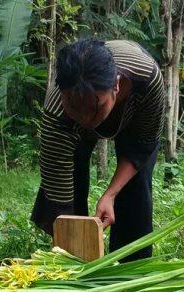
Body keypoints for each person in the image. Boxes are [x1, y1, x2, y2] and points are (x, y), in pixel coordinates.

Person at [31, 38, 165, 261]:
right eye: (74, 107)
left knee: (136, 188)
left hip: (135, 114)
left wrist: (110, 194)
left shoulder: (147, 79)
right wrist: (70, 241)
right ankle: (76, 265)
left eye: (94, 108)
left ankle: (129, 271)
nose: (85, 119)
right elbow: (59, 195)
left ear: (116, 85)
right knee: (69, 199)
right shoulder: (57, 114)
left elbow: (142, 146)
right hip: (68, 127)